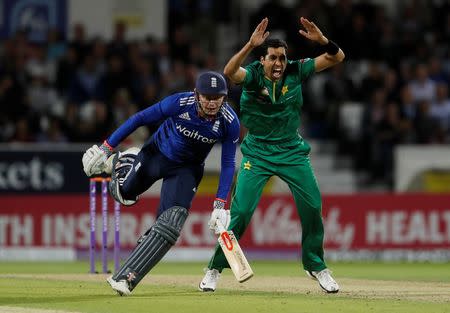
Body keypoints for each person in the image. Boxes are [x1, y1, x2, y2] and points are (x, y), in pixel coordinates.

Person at [199, 17, 345, 293]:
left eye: (282, 57)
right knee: (240, 212)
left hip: (292, 150)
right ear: (262, 60)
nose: (278, 63)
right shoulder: (252, 75)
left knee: (313, 206)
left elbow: (337, 57)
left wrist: (323, 41)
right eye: (273, 58)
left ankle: (316, 265)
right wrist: (249, 45)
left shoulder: (296, 70)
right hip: (258, 152)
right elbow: (229, 72)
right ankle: (215, 268)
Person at [82, 71, 240, 296]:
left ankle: (126, 279)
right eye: (207, 97)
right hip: (156, 155)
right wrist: (106, 147)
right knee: (124, 194)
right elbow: (140, 119)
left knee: (172, 223)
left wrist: (220, 204)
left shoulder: (229, 121)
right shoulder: (179, 103)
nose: (213, 102)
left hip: (187, 169)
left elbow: (227, 163)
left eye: (218, 97)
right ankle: (123, 159)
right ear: (196, 94)